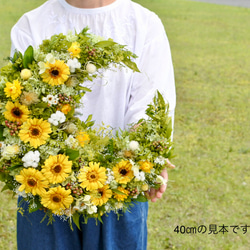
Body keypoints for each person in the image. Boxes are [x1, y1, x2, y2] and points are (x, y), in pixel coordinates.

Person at [11, 0, 176, 249]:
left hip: (120, 187)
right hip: (46, 187)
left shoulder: (144, 24)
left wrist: (148, 160)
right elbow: (24, 107)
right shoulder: (33, 24)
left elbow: (150, 106)